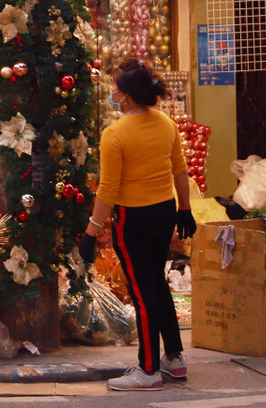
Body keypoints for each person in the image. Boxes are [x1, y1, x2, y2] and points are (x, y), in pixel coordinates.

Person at [77, 58, 196, 391]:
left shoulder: (114, 134)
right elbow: (180, 171)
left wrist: (91, 230)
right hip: (165, 211)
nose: (112, 92)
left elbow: (108, 189)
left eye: (116, 88)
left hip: (135, 218)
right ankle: (174, 358)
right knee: (156, 284)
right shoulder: (165, 122)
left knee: (143, 293)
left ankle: (148, 370)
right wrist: (185, 209)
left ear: (126, 96)